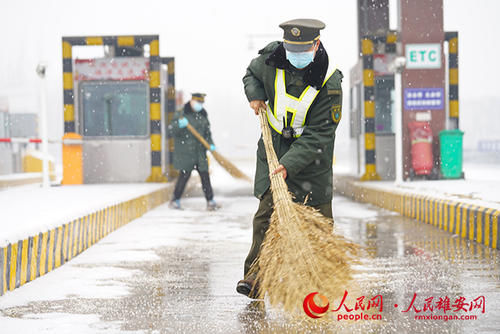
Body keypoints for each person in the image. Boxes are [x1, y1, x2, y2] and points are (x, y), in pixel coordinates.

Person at [236, 19, 343, 298]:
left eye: (301, 49)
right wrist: (255, 95)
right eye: (290, 48)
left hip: (312, 162)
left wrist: (290, 164)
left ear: (315, 45)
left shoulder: (330, 81)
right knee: (265, 218)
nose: (295, 54)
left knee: (318, 221)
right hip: (273, 152)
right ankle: (255, 277)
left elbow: (320, 134)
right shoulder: (271, 59)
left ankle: (319, 283)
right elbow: (250, 74)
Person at [169, 93, 219, 211]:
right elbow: (172, 130)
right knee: (184, 176)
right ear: (191, 101)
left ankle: (210, 201)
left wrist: (211, 144)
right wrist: (179, 125)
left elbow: (207, 133)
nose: (199, 105)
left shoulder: (202, 115)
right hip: (186, 152)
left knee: (205, 176)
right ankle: (175, 200)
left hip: (200, 152)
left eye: (201, 103)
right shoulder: (181, 114)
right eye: (198, 102)